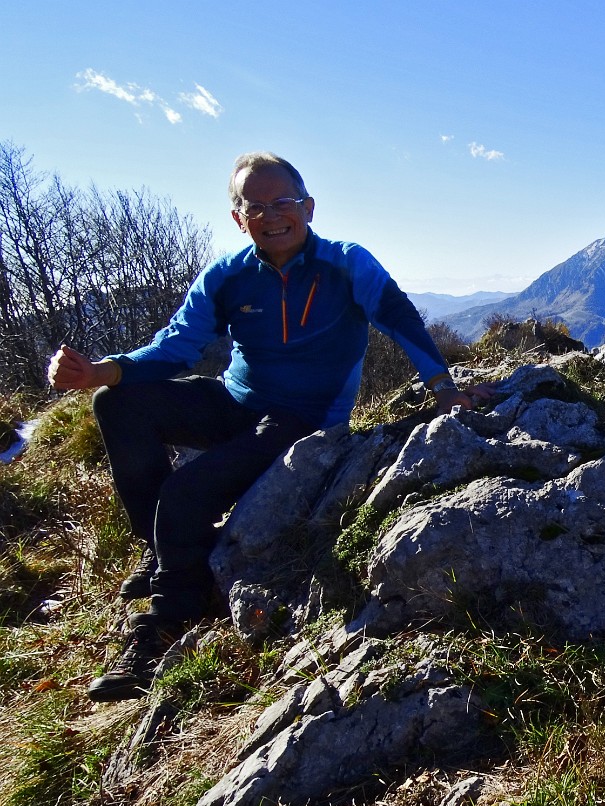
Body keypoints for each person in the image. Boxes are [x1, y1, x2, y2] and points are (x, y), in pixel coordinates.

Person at [48, 151, 491, 703]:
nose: (272, 214)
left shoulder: (346, 263)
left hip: (302, 421)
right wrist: (99, 371)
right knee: (116, 405)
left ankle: (167, 618)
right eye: (254, 206)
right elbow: (177, 348)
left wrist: (443, 387)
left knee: (186, 493)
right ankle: (164, 551)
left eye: (283, 202)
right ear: (238, 218)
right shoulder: (228, 277)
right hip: (235, 402)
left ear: (308, 206)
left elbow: (397, 314)